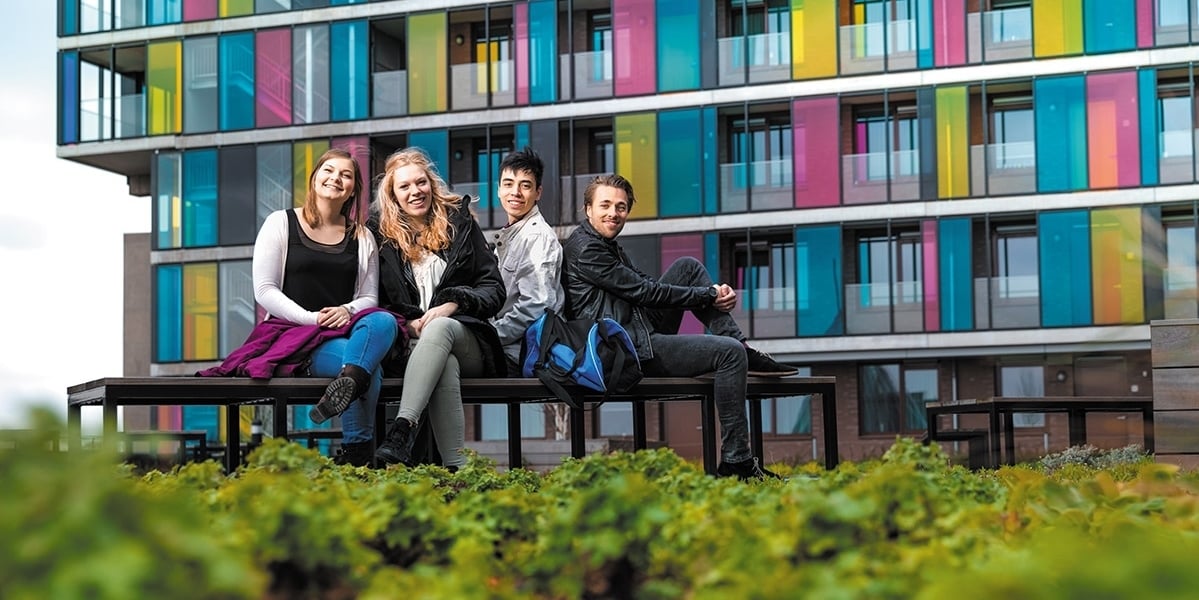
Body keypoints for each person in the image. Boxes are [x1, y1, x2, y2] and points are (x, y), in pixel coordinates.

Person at [561, 174, 799, 480]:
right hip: (625, 352)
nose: (614, 213)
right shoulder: (586, 249)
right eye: (605, 205)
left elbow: (645, 286)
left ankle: (740, 345)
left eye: (621, 207)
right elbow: (646, 293)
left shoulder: (606, 244)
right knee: (728, 355)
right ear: (588, 209)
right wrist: (710, 294)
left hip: (637, 329)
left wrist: (708, 294)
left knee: (686, 267)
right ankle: (736, 463)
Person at [200, 148, 400, 468]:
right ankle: (359, 454)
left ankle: (350, 389)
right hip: (294, 337)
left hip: (343, 331)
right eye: (329, 171)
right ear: (314, 178)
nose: (336, 178)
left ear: (353, 189)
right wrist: (312, 319)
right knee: (368, 367)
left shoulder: (361, 236)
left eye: (346, 175)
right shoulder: (281, 222)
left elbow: (368, 297)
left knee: (383, 321)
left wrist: (346, 310)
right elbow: (265, 290)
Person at [370, 147, 508, 470]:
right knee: (442, 362)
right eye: (404, 187)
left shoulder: (460, 224)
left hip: (467, 340)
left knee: (441, 328)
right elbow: (373, 302)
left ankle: (402, 428)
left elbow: (495, 290)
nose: (415, 191)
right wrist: (406, 323)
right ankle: (456, 472)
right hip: (412, 348)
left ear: (431, 183)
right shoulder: (381, 238)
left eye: (421, 182)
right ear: (393, 195)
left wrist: (454, 302)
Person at [489, 147, 564, 374]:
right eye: (509, 183)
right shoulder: (512, 236)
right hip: (508, 347)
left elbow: (537, 305)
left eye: (525, 185)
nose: (516, 192)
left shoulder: (537, 237)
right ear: (499, 189)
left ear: (538, 192)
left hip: (519, 353)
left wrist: (491, 334)